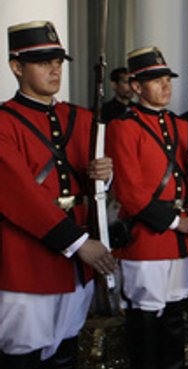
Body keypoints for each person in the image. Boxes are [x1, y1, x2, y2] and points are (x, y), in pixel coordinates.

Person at [0, 20, 117, 368]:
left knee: (67, 350)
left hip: (77, 267)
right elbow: (19, 194)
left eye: (58, 62)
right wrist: (80, 244)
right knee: (23, 353)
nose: (54, 70)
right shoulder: (4, 121)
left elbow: (92, 190)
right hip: (27, 263)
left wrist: (105, 176)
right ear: (16, 67)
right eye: (42, 62)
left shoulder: (80, 118)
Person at [106, 46, 188, 369]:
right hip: (147, 238)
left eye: (168, 79)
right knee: (146, 318)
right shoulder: (123, 126)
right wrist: (178, 223)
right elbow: (129, 191)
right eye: (156, 80)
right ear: (137, 87)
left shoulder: (181, 126)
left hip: (181, 237)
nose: (166, 86)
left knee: (175, 314)